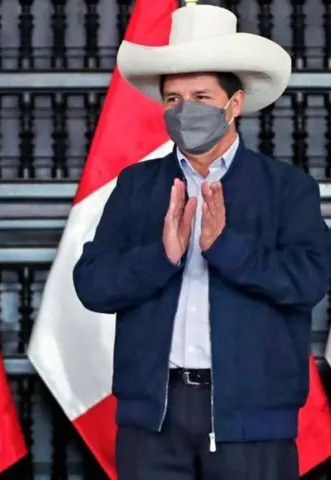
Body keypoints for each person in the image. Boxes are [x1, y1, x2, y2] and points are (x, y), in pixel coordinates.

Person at [73, 3, 330, 480]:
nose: (184, 109)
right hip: (152, 419)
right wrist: (161, 256)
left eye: (201, 96)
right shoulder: (137, 185)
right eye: (173, 98)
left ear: (235, 104)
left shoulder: (287, 188)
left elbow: (309, 281)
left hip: (252, 420)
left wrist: (225, 247)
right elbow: (92, 285)